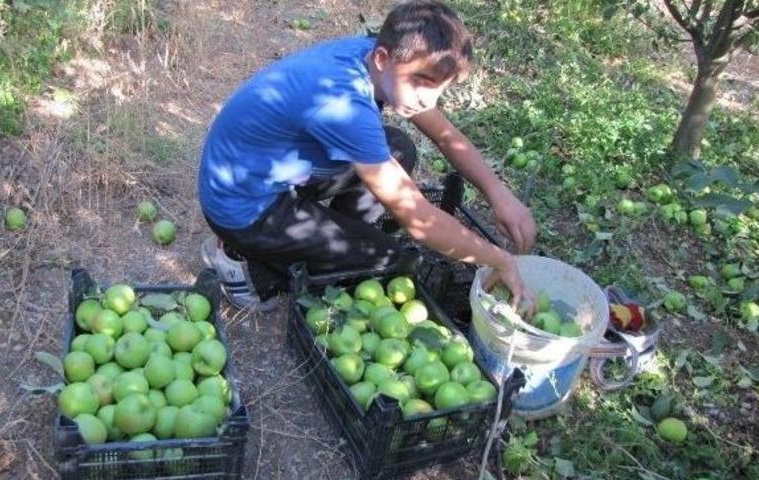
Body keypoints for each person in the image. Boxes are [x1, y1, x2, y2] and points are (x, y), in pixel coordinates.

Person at [198, 0, 536, 311]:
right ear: (383, 59)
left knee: (398, 148)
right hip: (244, 210)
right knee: (389, 259)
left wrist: (498, 192)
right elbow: (420, 222)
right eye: (421, 82)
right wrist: (499, 259)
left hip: (268, 173)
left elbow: (446, 136)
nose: (427, 99)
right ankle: (247, 271)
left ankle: (335, 242)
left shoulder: (373, 58)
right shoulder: (343, 106)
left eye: (440, 87)